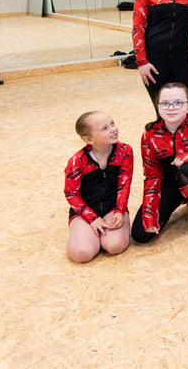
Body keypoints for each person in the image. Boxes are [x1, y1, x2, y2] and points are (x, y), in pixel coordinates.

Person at [132, 82, 188, 243]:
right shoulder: (149, 135)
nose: (171, 108)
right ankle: (184, 198)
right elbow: (152, 177)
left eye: (178, 103)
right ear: (157, 106)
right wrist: (150, 214)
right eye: (165, 103)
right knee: (141, 234)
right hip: (171, 184)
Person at [64, 111, 133, 263]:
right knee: (82, 254)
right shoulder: (77, 161)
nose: (113, 129)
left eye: (112, 123)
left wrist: (120, 210)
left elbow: (124, 184)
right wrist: (92, 218)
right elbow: (71, 194)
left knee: (115, 246)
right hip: (85, 210)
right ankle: (83, 235)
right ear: (88, 139)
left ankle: (103, 236)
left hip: (112, 207)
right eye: (105, 128)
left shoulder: (125, 151)